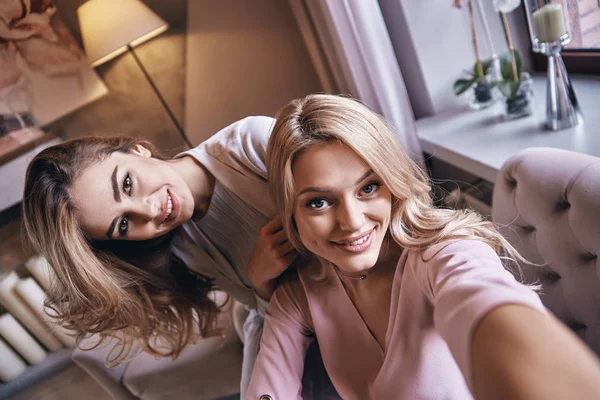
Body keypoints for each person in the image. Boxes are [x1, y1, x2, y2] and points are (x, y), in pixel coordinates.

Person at [247, 94, 600, 399]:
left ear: (393, 182)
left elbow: (488, 304)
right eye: (318, 203)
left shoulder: (445, 253)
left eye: (368, 188)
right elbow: (268, 385)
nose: (352, 221)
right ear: (289, 213)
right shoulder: (299, 294)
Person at [21, 116, 315, 397]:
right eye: (123, 224)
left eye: (127, 184)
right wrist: (260, 281)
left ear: (138, 150)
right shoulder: (183, 250)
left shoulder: (250, 143)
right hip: (297, 320)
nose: (149, 211)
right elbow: (267, 308)